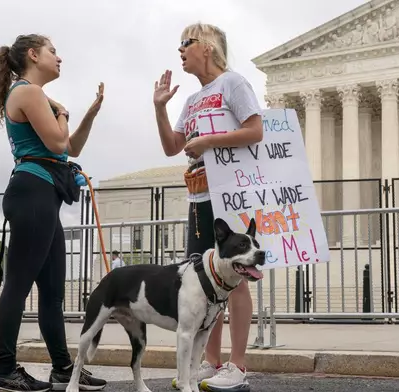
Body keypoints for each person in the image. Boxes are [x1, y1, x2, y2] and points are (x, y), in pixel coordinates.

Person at [0, 34, 107, 392]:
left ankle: (63, 368)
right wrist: (62, 113)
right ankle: (4, 370)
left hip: (43, 194)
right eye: (52, 51)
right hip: (32, 192)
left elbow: (70, 146)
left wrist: (88, 114)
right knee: (18, 286)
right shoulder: (29, 92)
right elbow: (56, 142)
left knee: (51, 292)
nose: (59, 57)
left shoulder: (34, 95)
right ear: (33, 55)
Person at [152, 23, 263, 392]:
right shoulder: (192, 99)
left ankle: (238, 364)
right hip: (199, 196)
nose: (180, 50)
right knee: (204, 282)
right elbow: (172, 146)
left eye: (186, 43)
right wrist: (160, 108)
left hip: (229, 191)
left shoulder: (233, 84)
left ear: (208, 47)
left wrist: (207, 141)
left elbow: (255, 130)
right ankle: (211, 363)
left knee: (237, 276)